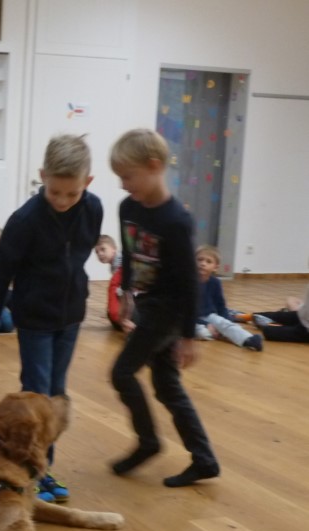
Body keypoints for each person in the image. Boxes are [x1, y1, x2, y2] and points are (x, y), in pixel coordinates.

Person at [0, 134, 103, 504]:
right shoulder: (24, 220)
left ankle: (44, 468)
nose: (62, 200)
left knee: (56, 396)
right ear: (42, 176)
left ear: (88, 182)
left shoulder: (93, 208)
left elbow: (80, 254)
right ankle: (32, 471)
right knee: (37, 393)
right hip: (35, 320)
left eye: (72, 193)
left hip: (71, 316)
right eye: (55, 191)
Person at [108, 128, 220, 487]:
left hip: (169, 311)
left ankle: (149, 442)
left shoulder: (176, 221)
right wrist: (126, 294)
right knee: (167, 386)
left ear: (154, 166)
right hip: (147, 306)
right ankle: (204, 460)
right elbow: (129, 254)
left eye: (128, 176)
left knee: (122, 373)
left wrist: (187, 337)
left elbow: (189, 281)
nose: (123, 185)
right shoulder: (128, 207)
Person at [195, 244, 262, 350]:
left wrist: (226, 321)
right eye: (200, 260)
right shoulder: (188, 282)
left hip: (208, 315)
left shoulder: (215, 282)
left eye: (208, 261)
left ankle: (247, 339)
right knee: (202, 333)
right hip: (190, 319)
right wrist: (206, 324)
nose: (203, 263)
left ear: (215, 267)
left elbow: (220, 306)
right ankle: (219, 333)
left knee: (225, 323)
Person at [245, 286, 309, 343]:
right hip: (303, 318)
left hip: (305, 329)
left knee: (269, 331)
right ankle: (245, 316)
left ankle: (271, 324)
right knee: (281, 315)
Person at [94, 234, 127, 331]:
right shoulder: (114, 265)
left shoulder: (119, 261)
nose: (100, 254)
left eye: (103, 249)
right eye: (97, 252)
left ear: (114, 249)